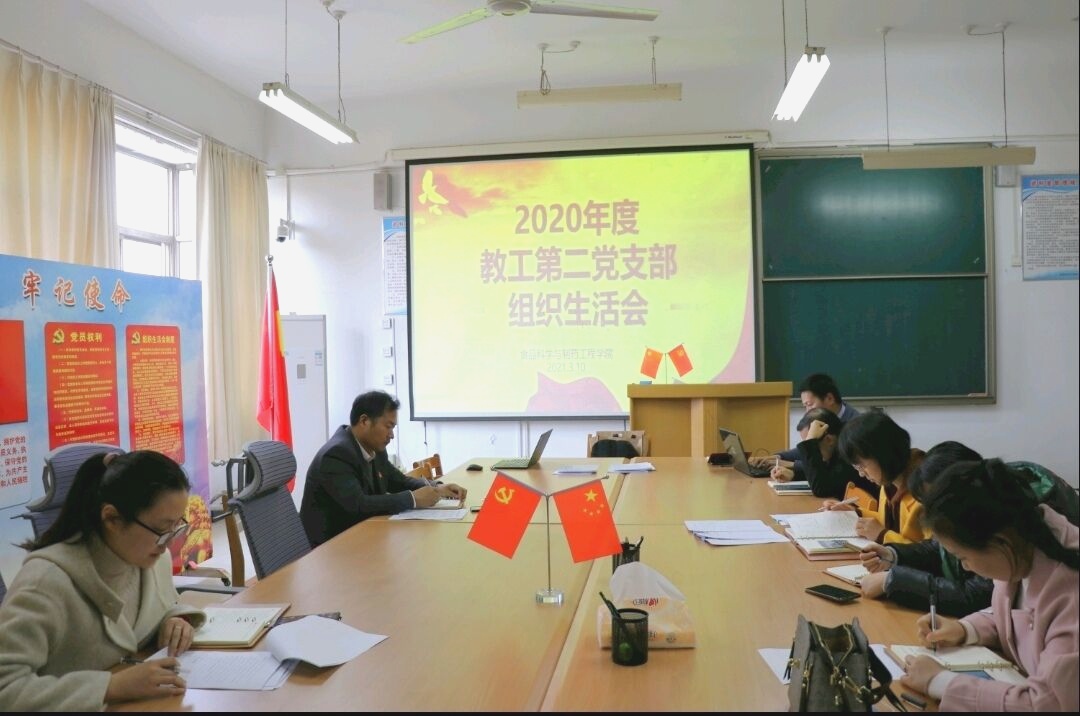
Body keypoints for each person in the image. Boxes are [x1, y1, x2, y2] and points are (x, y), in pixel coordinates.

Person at [0, 450, 205, 711]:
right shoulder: (45, 583)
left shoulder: (150, 558)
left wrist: (175, 621)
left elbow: (150, 615)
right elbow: (6, 689)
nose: (169, 544)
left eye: (176, 526)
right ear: (111, 518)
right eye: (161, 529)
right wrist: (110, 686)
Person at [900, 459, 1079, 711]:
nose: (964, 567)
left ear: (1000, 541)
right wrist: (964, 629)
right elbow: (1017, 616)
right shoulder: (1024, 545)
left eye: (962, 557)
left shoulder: (1070, 589)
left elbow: (1049, 704)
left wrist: (940, 681)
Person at [859, 442, 1080, 615]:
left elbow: (978, 596)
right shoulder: (977, 505)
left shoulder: (1006, 522)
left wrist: (894, 581)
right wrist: (893, 554)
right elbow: (941, 548)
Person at [301, 390, 467, 546]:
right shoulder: (337, 454)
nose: (392, 435)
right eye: (388, 426)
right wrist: (413, 499)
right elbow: (359, 504)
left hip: (365, 536)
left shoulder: (375, 448)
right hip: (332, 547)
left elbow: (398, 481)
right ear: (364, 421)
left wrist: (437, 488)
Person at [822, 411, 927, 544]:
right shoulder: (889, 479)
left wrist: (882, 535)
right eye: (857, 467)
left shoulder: (924, 491)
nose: (861, 474)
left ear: (883, 455)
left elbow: (931, 551)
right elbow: (888, 521)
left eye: (862, 466)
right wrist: (854, 513)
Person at [751, 373, 860, 474]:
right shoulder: (824, 420)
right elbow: (810, 450)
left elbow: (833, 468)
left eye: (810, 404)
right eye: (805, 406)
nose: (807, 411)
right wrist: (778, 457)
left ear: (830, 399)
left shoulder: (854, 428)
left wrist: (792, 465)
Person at [768, 407, 876, 500]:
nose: (810, 447)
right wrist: (793, 474)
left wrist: (809, 445)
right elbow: (826, 474)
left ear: (829, 440)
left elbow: (821, 489)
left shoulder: (848, 449)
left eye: (811, 442)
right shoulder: (836, 445)